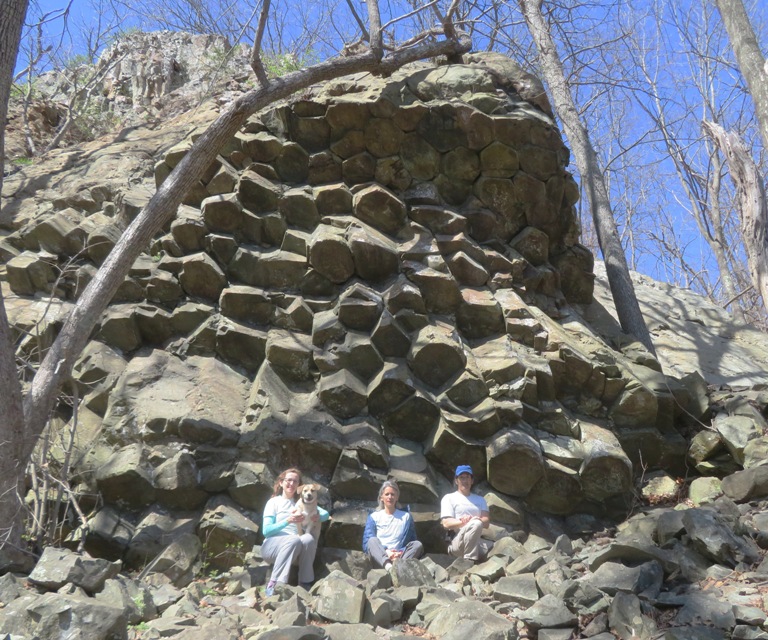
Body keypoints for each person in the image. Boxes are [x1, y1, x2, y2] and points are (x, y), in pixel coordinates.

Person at [262, 468, 330, 596]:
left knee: (308, 538)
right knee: (294, 539)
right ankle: (276, 583)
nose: (291, 483)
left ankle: (304, 583)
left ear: (299, 486)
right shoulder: (273, 502)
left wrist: (318, 517)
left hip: (294, 548)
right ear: (281, 483)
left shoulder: (303, 503)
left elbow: (326, 514)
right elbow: (266, 531)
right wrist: (287, 521)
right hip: (271, 547)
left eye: (295, 481)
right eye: (288, 480)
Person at [362, 480, 424, 570]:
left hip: (399, 557)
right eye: (387, 494)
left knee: (417, 544)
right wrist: (387, 552)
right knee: (372, 541)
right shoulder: (374, 517)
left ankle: (398, 567)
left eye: (393, 494)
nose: (390, 497)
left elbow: (412, 540)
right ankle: (389, 567)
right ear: (381, 497)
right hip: (380, 557)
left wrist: (399, 553)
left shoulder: (406, 517)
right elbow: (366, 543)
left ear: (397, 497)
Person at [440, 464, 492, 562]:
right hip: (457, 541)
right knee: (476, 523)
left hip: (477, 541)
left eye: (467, 477)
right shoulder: (449, 498)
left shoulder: (480, 500)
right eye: (461, 478)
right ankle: (469, 561)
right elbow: (446, 523)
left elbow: (486, 522)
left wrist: (474, 520)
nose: (465, 481)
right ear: (456, 481)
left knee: (498, 547)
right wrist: (463, 522)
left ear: (472, 481)